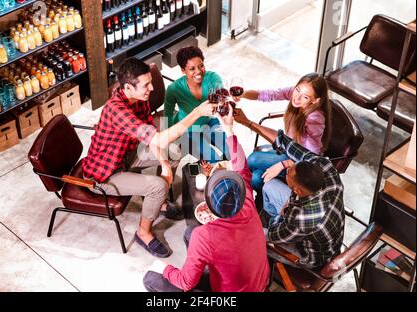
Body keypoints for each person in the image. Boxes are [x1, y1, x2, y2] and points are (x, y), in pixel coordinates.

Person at [82, 58, 216, 258]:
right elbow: (160, 139)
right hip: (105, 174)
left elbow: (153, 137)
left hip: (125, 155)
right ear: (128, 87)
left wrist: (165, 165)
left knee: (176, 151)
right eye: (146, 85)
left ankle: (158, 202)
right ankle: (143, 232)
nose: (151, 88)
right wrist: (197, 112)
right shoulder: (116, 110)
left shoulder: (138, 100)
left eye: (151, 82)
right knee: (158, 186)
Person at [142, 105, 270, 292]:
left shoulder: (205, 237)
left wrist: (164, 268)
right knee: (189, 234)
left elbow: (186, 283)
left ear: (208, 206)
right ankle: (206, 264)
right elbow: (241, 168)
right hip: (259, 283)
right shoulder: (248, 202)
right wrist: (228, 129)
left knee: (152, 278)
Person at [234, 109, 344, 268]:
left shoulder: (301, 219)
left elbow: (273, 235)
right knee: (269, 185)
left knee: (248, 236)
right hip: (313, 222)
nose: (289, 166)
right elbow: (288, 144)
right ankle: (269, 217)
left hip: (310, 255)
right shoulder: (325, 167)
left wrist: (282, 214)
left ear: (298, 191)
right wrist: (247, 122)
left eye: (288, 174)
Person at [238, 73, 331, 193]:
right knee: (256, 177)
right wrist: (243, 94)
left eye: (305, 97)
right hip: (287, 149)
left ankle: (273, 194)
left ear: (315, 100)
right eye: (297, 90)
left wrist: (283, 164)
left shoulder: (315, 118)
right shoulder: (295, 93)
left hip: (299, 162)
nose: (297, 98)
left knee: (253, 160)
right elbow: (269, 94)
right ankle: (260, 196)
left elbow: (312, 157)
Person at [164, 46, 229, 163]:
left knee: (231, 151)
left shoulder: (212, 77)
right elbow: (167, 115)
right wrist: (171, 138)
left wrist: (223, 98)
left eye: (201, 66)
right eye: (192, 68)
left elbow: (220, 91)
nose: (198, 71)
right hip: (188, 130)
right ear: (183, 70)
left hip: (208, 122)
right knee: (213, 159)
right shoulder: (173, 89)